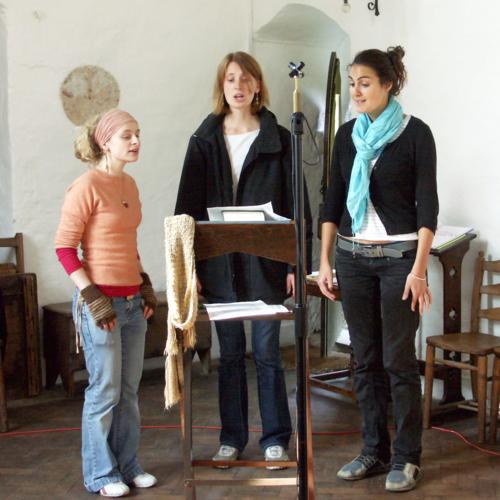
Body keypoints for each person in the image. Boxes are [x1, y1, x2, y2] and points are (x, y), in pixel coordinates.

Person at [175, 51, 311, 468]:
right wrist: (191, 269)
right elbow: (186, 212)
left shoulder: (280, 138)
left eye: (246, 79)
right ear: (222, 86)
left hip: (266, 264)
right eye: (231, 79)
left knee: (268, 354)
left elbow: (298, 206)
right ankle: (231, 438)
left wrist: (293, 265)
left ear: (257, 86)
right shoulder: (203, 140)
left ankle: (275, 438)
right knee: (229, 355)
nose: (238, 86)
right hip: (219, 267)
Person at [318, 46, 438, 493]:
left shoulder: (415, 134)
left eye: (364, 82)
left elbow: (428, 208)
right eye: (352, 82)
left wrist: (419, 270)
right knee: (364, 361)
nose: (356, 90)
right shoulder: (347, 135)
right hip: (351, 258)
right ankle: (373, 449)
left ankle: (407, 457)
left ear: (389, 84)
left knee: (398, 361)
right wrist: (325, 260)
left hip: (399, 261)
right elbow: (332, 203)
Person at [55, 109, 158, 497]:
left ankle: (127, 466)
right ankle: (100, 474)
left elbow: (126, 245)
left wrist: (144, 283)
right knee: (104, 391)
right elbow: (64, 248)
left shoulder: (129, 185)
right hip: (102, 306)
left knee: (129, 391)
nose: (135, 142)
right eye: (127, 135)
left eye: (138, 134)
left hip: (133, 303)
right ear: (105, 141)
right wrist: (92, 295)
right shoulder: (86, 185)